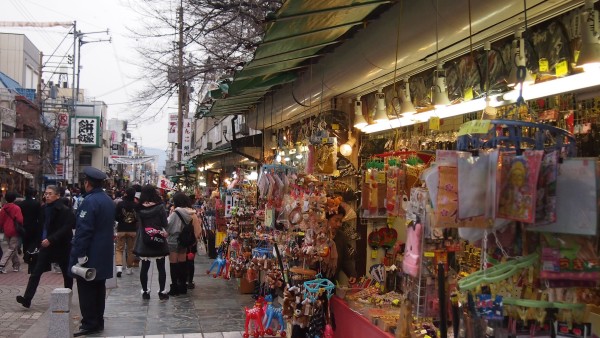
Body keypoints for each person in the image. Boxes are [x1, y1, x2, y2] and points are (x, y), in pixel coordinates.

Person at [69, 167, 115, 337]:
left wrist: (80, 254)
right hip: (104, 251)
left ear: (87, 183)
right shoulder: (108, 200)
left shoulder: (90, 201)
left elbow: (84, 230)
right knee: (99, 287)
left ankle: (89, 322)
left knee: (86, 287)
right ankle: (98, 320)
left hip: (90, 253)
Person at [16, 185, 74, 308]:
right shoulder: (43, 209)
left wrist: (51, 239)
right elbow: (41, 227)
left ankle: (67, 296)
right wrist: (36, 243)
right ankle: (27, 299)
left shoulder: (64, 210)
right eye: (46, 193)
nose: (46, 195)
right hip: (45, 246)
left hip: (61, 245)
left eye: (50, 193)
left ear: (57, 195)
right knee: (35, 273)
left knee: (66, 273)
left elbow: (66, 228)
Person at [132, 184, 170, 301]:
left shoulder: (138, 208)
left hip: (144, 239)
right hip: (158, 237)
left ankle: (145, 291)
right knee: (161, 267)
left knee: (144, 267)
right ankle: (162, 292)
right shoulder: (160, 207)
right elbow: (164, 223)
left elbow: (136, 221)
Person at [165, 192, 201, 296]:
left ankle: (174, 288)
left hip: (174, 240)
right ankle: (183, 287)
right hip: (185, 241)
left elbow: (168, 226)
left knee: (173, 264)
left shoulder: (176, 213)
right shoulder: (192, 213)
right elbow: (198, 231)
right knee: (182, 263)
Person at [324, 204, 357, 285]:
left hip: (332, 280)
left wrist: (352, 273)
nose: (339, 224)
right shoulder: (319, 235)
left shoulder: (341, 236)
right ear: (327, 220)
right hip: (316, 280)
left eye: (340, 221)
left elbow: (346, 259)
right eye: (336, 220)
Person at [17, 187, 42, 273]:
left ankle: (25, 255)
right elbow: (39, 216)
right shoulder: (36, 203)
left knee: (25, 241)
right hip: (34, 224)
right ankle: (30, 253)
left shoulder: (21, 204)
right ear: (33, 194)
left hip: (24, 225)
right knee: (33, 241)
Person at [114, 188, 138, 277]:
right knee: (131, 250)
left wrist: (120, 219)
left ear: (126, 194)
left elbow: (115, 216)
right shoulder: (136, 205)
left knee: (119, 249)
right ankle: (129, 268)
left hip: (121, 229)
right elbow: (138, 217)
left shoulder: (120, 204)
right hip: (132, 230)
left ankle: (119, 267)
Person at [0, 191, 24, 273]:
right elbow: (20, 220)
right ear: (14, 199)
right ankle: (2, 264)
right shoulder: (16, 208)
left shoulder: (3, 208)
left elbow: (1, 221)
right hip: (14, 230)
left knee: (12, 248)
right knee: (11, 248)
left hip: (6, 230)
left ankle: (16, 265)